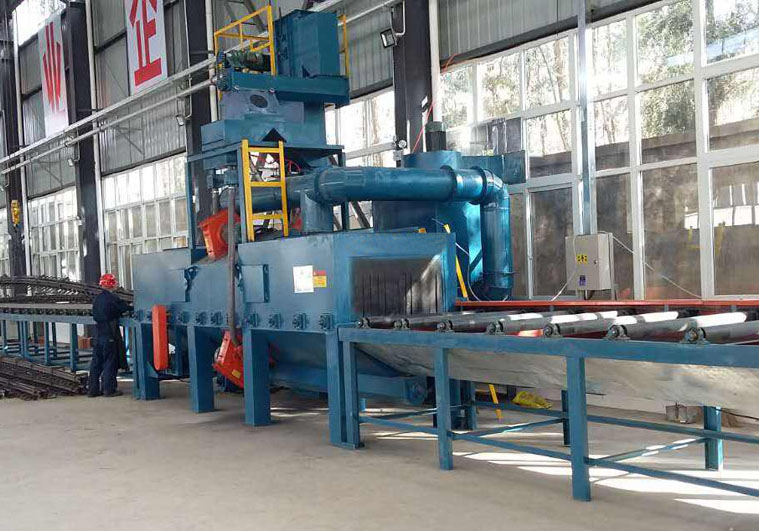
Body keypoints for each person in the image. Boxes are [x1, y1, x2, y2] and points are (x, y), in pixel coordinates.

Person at [88, 273, 131, 398]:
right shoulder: (112, 298)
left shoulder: (97, 299)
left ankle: (92, 390)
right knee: (109, 362)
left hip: (98, 334)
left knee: (96, 363)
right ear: (112, 284)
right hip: (109, 334)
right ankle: (109, 390)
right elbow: (124, 308)